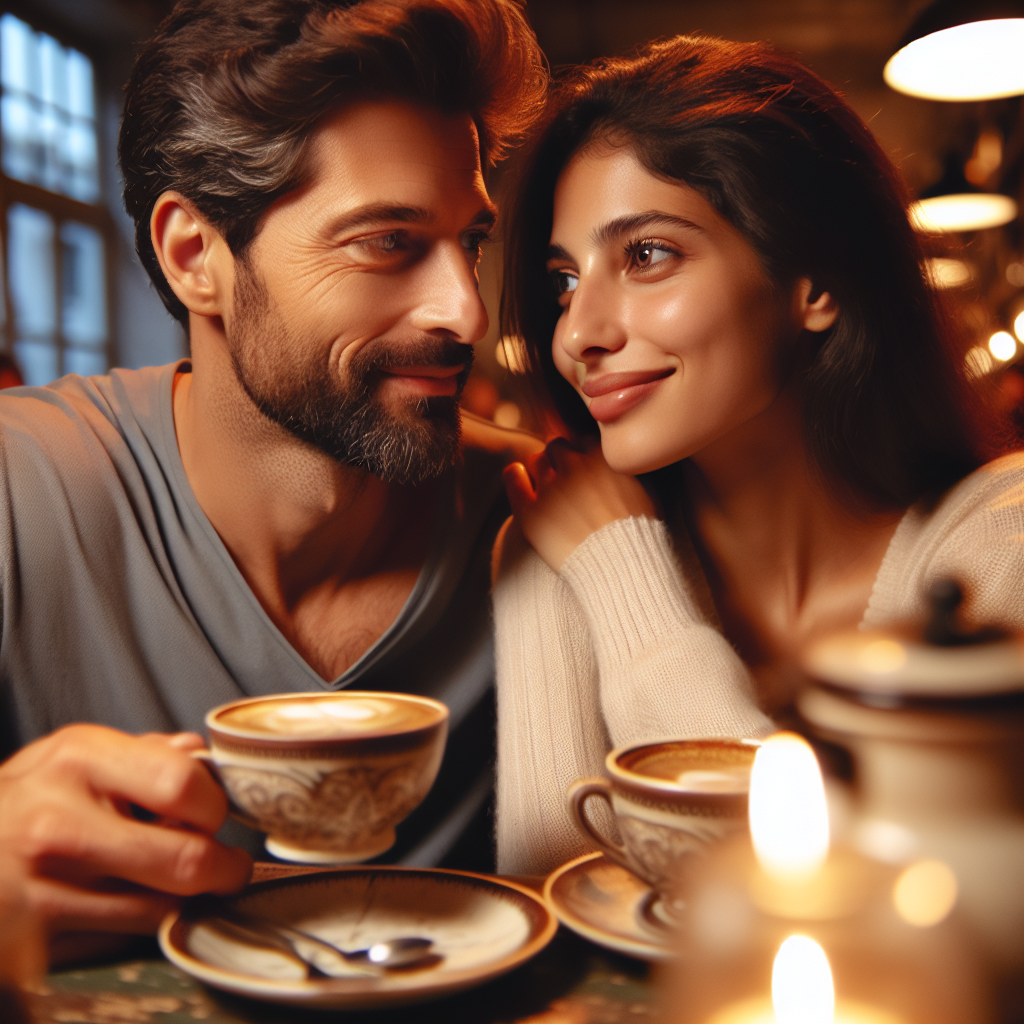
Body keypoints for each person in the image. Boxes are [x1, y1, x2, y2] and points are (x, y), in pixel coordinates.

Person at [0, 0, 545, 962]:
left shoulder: (549, 517)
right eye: (387, 241)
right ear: (193, 257)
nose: (463, 308)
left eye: (471, 242)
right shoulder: (18, 490)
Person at [492, 35, 1024, 875]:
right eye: (564, 280)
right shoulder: (557, 544)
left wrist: (629, 587)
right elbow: (553, 905)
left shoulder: (1003, 542)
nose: (577, 335)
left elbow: (851, 909)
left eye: (646, 255)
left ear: (815, 285)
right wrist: (602, 561)